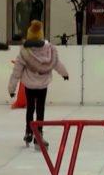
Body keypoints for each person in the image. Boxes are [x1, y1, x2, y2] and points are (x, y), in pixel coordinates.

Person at [8, 20, 69, 150]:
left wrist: (11, 88)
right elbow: (57, 64)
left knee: (30, 108)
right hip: (42, 84)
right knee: (40, 108)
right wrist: (64, 74)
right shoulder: (49, 50)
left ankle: (28, 132)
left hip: (29, 84)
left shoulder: (24, 51)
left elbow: (17, 71)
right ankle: (39, 133)